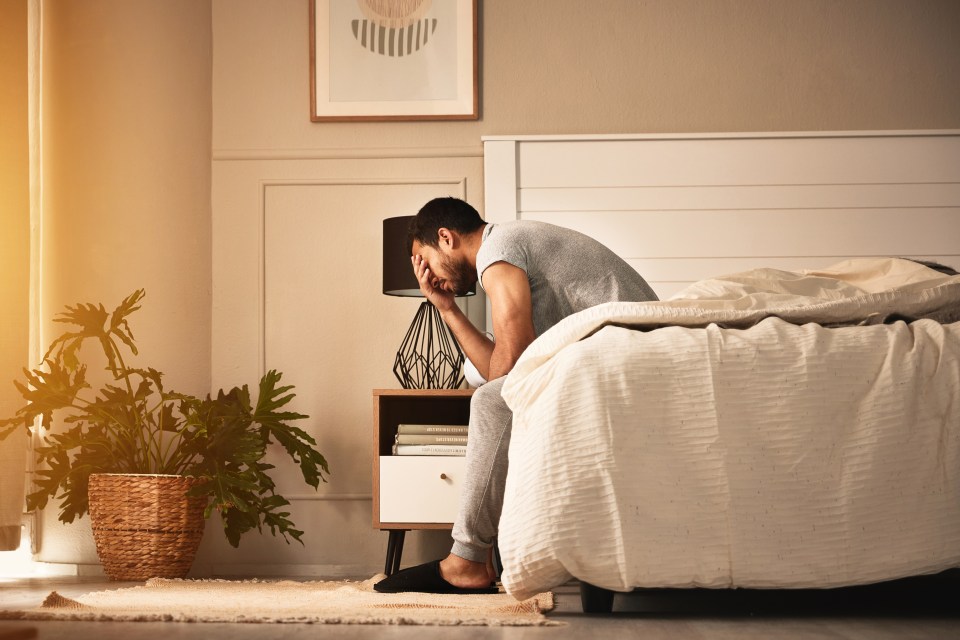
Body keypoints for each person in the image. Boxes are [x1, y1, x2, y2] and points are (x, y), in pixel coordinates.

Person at [374, 197, 658, 594]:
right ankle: (474, 556)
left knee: (490, 399)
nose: (429, 276)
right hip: (617, 356)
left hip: (635, 355)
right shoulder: (509, 248)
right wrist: (447, 310)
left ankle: (467, 560)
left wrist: (498, 383)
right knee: (495, 396)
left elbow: (506, 374)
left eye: (425, 260)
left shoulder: (498, 246)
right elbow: (507, 370)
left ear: (445, 238)